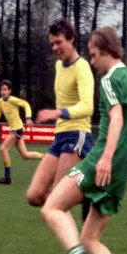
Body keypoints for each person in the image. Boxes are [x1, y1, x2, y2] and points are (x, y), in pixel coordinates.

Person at [41, 27, 127, 254]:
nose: (92, 61)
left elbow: (117, 118)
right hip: (122, 171)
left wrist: (107, 157)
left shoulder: (110, 79)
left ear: (106, 50)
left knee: (51, 207)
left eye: (94, 54)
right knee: (89, 239)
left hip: (101, 161)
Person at [26, 19, 95, 212]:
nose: (55, 48)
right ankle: (82, 191)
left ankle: (80, 193)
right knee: (34, 196)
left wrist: (58, 113)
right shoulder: (58, 66)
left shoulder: (82, 67)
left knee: (56, 201)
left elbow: (88, 107)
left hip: (78, 135)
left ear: (71, 39)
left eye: (59, 42)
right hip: (60, 136)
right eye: (52, 44)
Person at [0, 80, 43, 184]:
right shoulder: (0, 101)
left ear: (9, 91)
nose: (3, 92)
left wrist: (28, 118)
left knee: (3, 149)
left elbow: (25, 104)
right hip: (15, 129)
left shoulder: (12, 100)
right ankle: (45, 157)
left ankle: (7, 178)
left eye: (5, 89)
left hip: (17, 129)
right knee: (25, 155)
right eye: (2, 90)